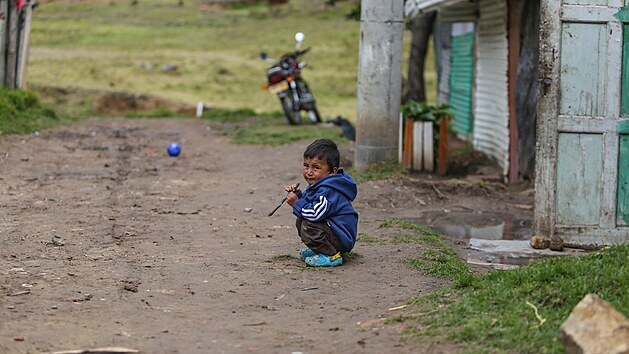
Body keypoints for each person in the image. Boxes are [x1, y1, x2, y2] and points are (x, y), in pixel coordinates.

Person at [285, 139, 359, 267]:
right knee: (302, 220)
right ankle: (320, 249)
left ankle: (331, 255)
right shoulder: (321, 185)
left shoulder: (329, 191)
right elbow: (312, 203)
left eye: (316, 167)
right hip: (333, 232)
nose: (309, 172)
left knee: (308, 223)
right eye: (306, 165)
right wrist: (299, 196)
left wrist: (296, 203)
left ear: (333, 171)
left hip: (341, 238)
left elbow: (315, 214)